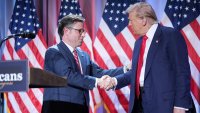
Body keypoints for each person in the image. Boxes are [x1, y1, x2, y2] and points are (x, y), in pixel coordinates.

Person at [102, 2, 194, 113]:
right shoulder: (138, 43)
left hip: (165, 105)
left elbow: (182, 72)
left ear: (143, 20)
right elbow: (137, 73)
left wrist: (180, 106)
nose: (129, 24)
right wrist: (115, 81)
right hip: (141, 104)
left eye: (131, 20)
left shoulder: (170, 35)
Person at [41, 14, 131, 113]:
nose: (83, 34)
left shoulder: (83, 55)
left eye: (83, 31)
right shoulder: (53, 52)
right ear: (66, 31)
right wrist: (98, 82)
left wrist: (126, 69)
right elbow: (68, 76)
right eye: (80, 31)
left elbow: (100, 73)